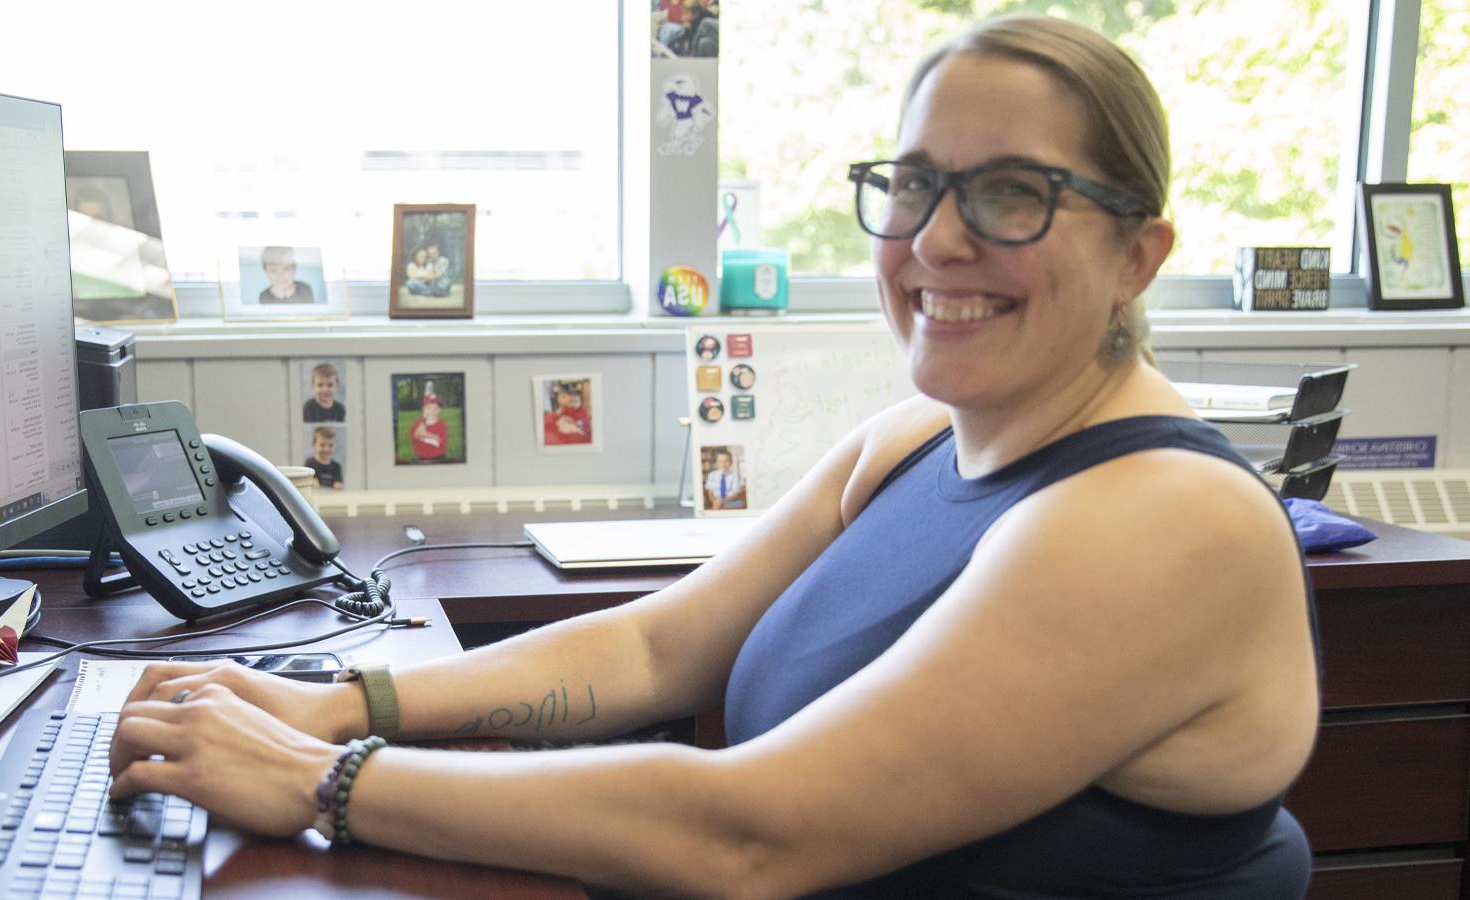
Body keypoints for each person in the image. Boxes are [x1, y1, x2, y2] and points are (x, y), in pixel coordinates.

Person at [106, 15, 1318, 897]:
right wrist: (334, 705)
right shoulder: (904, 446)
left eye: (1013, 195)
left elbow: (756, 836)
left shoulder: (1165, 519)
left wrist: (325, 781)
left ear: (1138, 256)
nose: (937, 241)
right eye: (913, 186)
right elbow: (655, 645)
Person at [542, 382, 592, 446]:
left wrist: (576, 425)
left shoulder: (582, 411)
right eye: (571, 401)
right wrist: (559, 412)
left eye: (576, 401)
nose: (573, 403)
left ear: (581, 402)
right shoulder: (567, 408)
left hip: (574, 426)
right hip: (564, 423)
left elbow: (584, 423)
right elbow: (559, 414)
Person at [407, 390, 449, 462]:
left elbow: (441, 440)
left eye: (435, 408)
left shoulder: (442, 424)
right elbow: (415, 436)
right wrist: (423, 420)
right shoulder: (419, 423)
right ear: (423, 409)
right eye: (428, 408)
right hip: (422, 456)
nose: (431, 411)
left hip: (439, 456)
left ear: (439, 410)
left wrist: (426, 434)